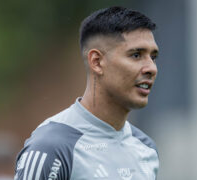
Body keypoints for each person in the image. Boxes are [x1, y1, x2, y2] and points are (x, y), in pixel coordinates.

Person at [14, 6, 159, 180]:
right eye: (136, 55)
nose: (151, 68)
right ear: (97, 62)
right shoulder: (51, 147)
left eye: (153, 57)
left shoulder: (145, 147)